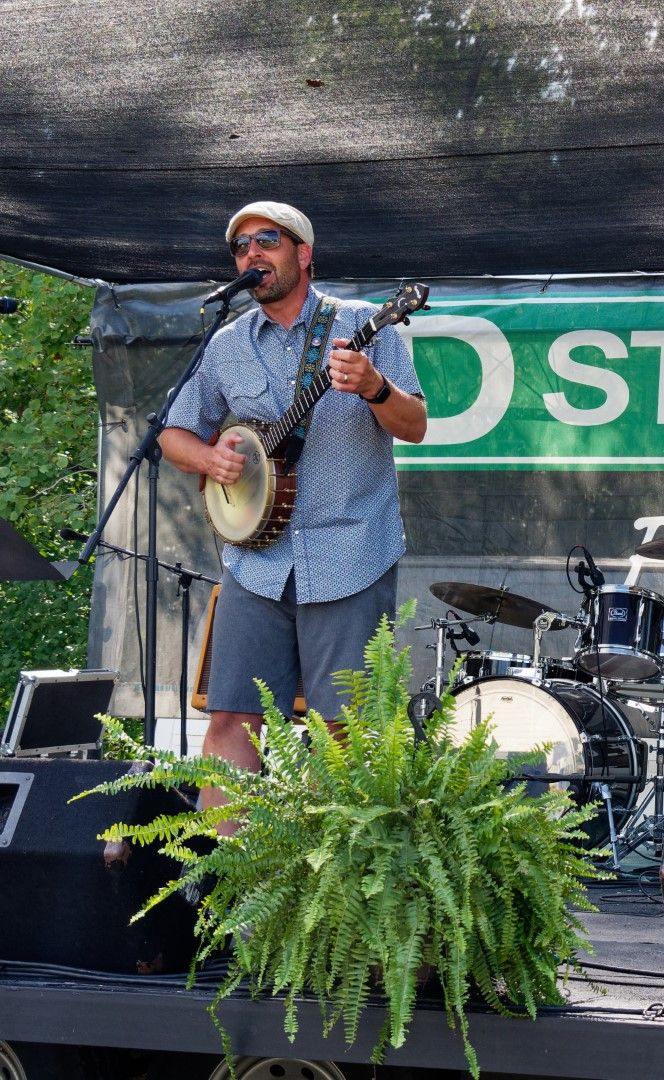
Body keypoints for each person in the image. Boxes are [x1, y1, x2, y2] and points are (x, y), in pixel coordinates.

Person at [161, 200, 427, 828]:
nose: (251, 254)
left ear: (303, 254)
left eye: (267, 241)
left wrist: (374, 388)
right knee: (231, 717)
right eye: (241, 247)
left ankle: (331, 873)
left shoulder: (362, 325)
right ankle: (224, 872)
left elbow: (414, 424)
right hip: (255, 562)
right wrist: (211, 459)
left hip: (348, 555)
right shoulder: (226, 344)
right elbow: (172, 433)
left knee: (344, 730)